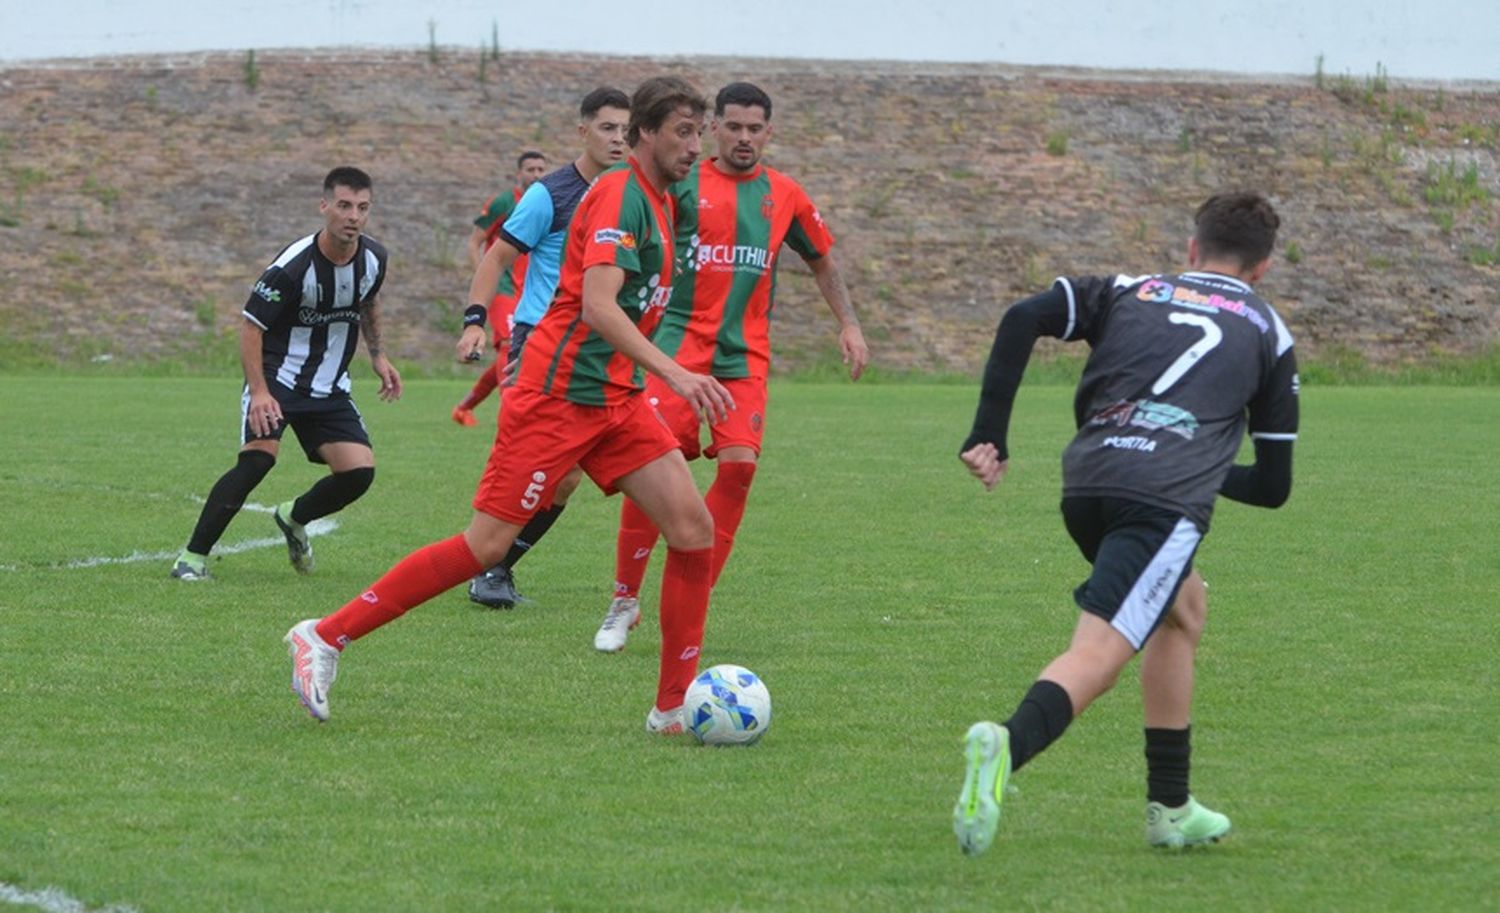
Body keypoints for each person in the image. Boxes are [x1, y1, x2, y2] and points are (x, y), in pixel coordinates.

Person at [285, 76, 729, 736]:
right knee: (483, 545)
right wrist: (676, 372)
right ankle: (323, 635)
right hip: (555, 398)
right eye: (683, 132)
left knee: (692, 530)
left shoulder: (664, 201)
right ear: (645, 133)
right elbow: (601, 306)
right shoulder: (619, 197)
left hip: (615, 400)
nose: (697, 146)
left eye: (701, 131)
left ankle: (670, 707)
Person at [951, 191, 1299, 855]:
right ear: (1263, 269)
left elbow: (1025, 315)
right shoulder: (1267, 329)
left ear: (1193, 249)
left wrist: (989, 431)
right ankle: (1006, 745)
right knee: (1099, 654)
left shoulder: (1131, 287)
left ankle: (1170, 806)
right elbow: (1274, 486)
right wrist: (1193, 463)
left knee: (1182, 607)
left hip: (1086, 481)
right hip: (1160, 501)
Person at [595, 81, 870, 652]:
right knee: (649, 467)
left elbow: (822, 261)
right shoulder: (681, 181)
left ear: (770, 133)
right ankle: (624, 598)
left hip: (743, 359)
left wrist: (849, 323)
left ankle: (695, 590)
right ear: (715, 127)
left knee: (740, 468)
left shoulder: (785, 194)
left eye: (755, 129)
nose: (744, 138)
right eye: (734, 127)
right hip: (674, 351)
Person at [170, 166, 402, 581]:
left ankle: (294, 517)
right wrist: (260, 392)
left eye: (362, 208)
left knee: (358, 472)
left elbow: (368, 303)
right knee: (258, 460)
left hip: (328, 385)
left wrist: (379, 356)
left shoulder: (373, 259)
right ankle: (192, 558)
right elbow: (250, 326)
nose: (353, 216)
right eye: (344, 205)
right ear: (324, 206)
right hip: (277, 377)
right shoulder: (293, 266)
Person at [454, 87, 631, 608]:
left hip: (597, 349)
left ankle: (495, 568)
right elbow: (495, 258)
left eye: (625, 129)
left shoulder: (631, 195)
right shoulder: (550, 194)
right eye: (607, 128)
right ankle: (483, 565)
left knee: (568, 477)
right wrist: (475, 323)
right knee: (537, 465)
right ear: (583, 131)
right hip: (539, 342)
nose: (618, 138)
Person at [451, 150, 548, 427]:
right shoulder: (504, 202)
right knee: (508, 344)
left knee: (519, 351)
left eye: (541, 169)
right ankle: (514, 417)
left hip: (528, 291)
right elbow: (474, 242)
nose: (537, 175)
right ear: (519, 173)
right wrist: (483, 283)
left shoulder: (547, 201)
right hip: (502, 288)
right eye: (531, 169)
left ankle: (464, 407)